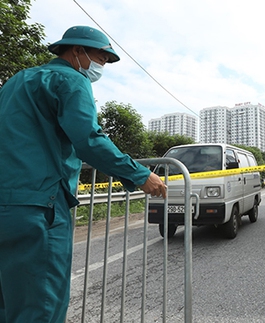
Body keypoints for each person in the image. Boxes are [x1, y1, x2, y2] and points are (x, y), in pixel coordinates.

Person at [0, 26, 167, 323]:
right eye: (101, 59)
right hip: (41, 206)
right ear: (77, 51)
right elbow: (89, 140)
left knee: (8, 302)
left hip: (6, 204)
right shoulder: (72, 80)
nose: (101, 66)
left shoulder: (17, 81)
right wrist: (140, 175)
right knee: (42, 306)